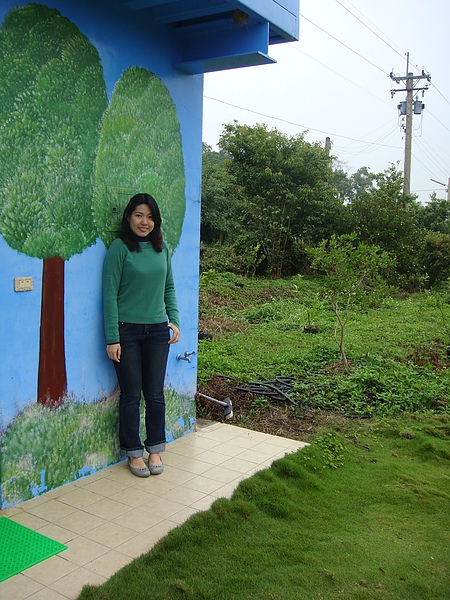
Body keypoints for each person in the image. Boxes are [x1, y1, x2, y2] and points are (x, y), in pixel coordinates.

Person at [102, 193, 180, 477]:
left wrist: (175, 321)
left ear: (155, 220)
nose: (144, 222)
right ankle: (134, 453)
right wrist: (113, 338)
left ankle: (155, 450)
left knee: (155, 394)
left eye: (149, 216)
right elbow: (110, 295)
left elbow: (168, 287)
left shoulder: (163, 249)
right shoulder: (119, 249)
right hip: (127, 333)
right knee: (131, 395)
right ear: (128, 217)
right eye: (138, 215)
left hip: (158, 331)